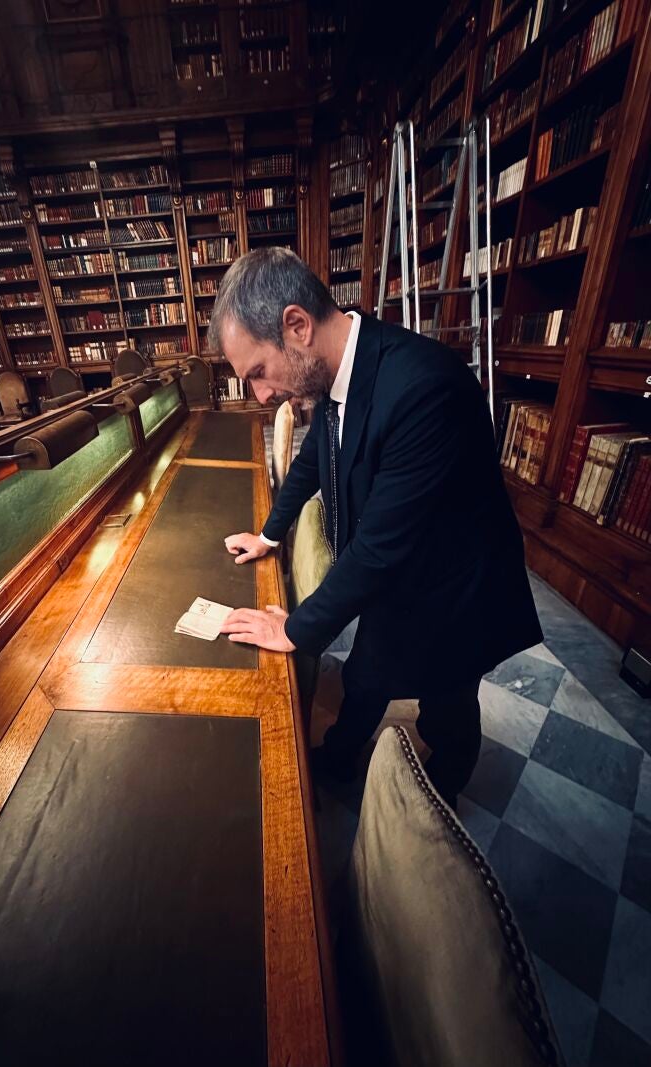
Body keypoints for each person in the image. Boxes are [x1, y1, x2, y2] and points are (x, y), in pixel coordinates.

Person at [211, 247, 543, 808]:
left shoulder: (422, 387)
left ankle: (442, 800)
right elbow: (314, 460)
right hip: (402, 574)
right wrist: (269, 535)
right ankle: (342, 759)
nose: (262, 396)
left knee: (448, 704)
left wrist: (293, 630)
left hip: (458, 587)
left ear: (297, 326)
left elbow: (378, 550)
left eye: (259, 373)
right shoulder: (338, 374)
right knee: (368, 672)